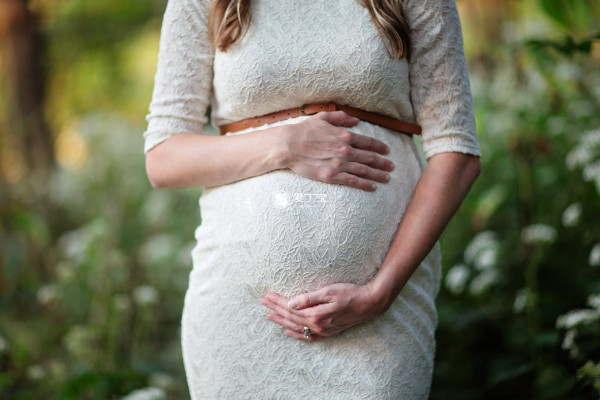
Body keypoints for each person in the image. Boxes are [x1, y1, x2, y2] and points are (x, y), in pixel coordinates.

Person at [143, 0, 481, 398]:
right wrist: (285, 144)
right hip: (239, 315)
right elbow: (163, 157)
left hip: (380, 318)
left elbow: (456, 152)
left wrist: (379, 294)